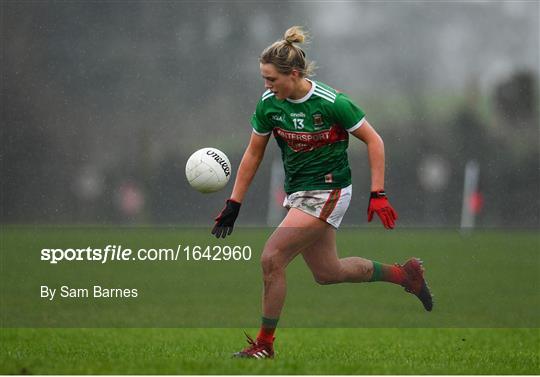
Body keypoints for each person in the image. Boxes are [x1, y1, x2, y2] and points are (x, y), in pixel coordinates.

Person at [212, 26, 433, 359]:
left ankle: (264, 346)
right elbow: (253, 154)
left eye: (272, 79)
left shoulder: (332, 103)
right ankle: (405, 275)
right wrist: (234, 202)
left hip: (328, 190)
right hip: (299, 194)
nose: (267, 86)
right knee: (328, 273)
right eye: (264, 79)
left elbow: (375, 141)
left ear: (295, 74)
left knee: (272, 258)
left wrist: (378, 192)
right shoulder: (269, 104)